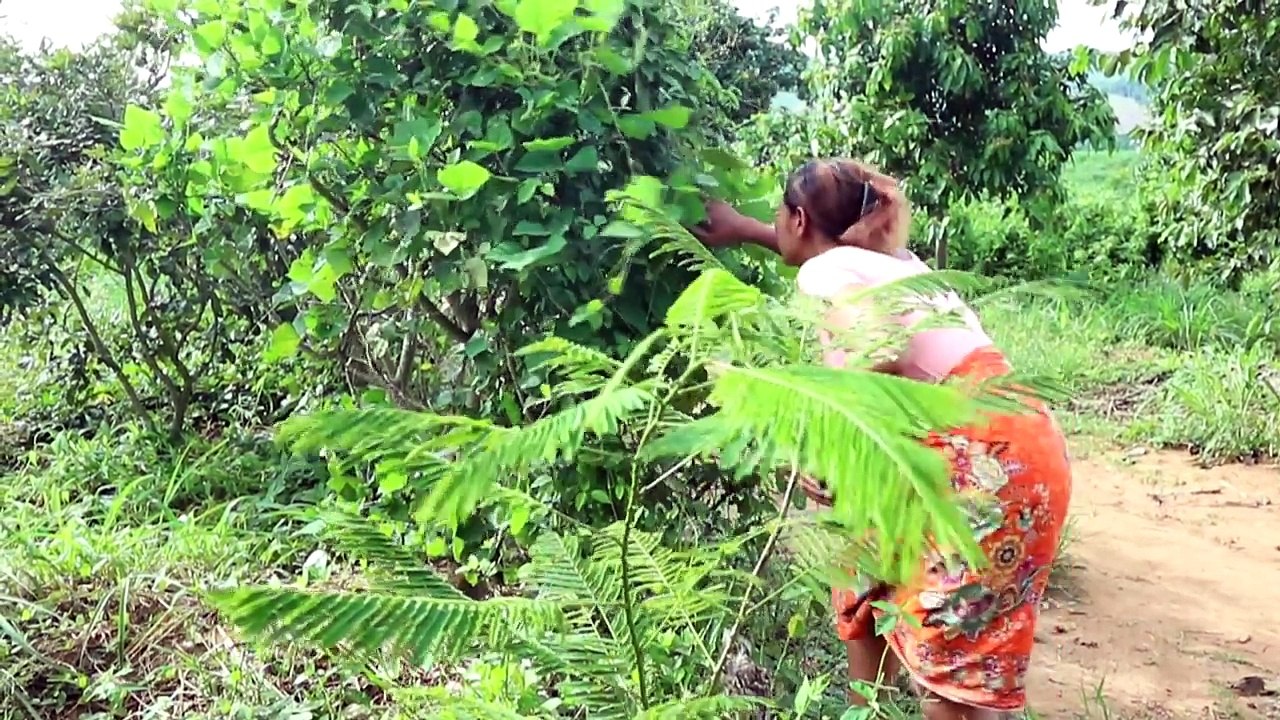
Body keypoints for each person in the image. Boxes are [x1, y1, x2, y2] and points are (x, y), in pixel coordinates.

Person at [692, 158, 1073, 720]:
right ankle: (866, 708)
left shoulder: (823, 276)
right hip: (1021, 440)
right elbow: (830, 267)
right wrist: (744, 229)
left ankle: (871, 705)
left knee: (953, 685)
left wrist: (822, 443)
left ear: (797, 219)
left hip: (980, 459)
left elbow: (878, 351)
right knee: (869, 570)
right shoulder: (890, 263)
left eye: (777, 216)